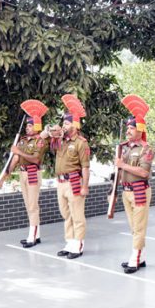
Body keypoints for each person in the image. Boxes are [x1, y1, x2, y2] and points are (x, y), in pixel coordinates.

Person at [0, 100, 50, 248]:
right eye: (26, 125)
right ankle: (36, 234)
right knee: (29, 206)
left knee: (33, 206)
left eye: (30, 125)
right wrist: (5, 175)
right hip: (23, 174)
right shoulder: (23, 140)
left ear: (37, 126)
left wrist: (18, 151)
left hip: (33, 173)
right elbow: (15, 159)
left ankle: (31, 237)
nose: (27, 128)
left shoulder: (40, 141)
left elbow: (35, 158)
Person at [116, 109, 155, 274]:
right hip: (126, 191)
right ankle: (141, 256)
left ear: (140, 130)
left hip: (139, 190)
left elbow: (144, 173)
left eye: (131, 128)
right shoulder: (124, 148)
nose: (128, 130)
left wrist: (122, 165)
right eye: (127, 127)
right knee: (134, 228)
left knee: (138, 228)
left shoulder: (147, 149)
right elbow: (120, 172)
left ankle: (135, 260)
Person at [53, 95, 90, 259]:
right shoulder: (61, 141)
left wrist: (85, 186)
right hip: (61, 182)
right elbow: (48, 138)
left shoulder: (81, 143)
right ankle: (70, 242)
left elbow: (85, 167)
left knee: (77, 215)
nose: (63, 125)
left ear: (75, 124)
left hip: (74, 181)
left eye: (66, 123)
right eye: (63, 122)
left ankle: (78, 244)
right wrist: (54, 132)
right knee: (65, 214)